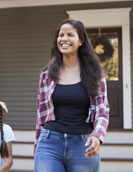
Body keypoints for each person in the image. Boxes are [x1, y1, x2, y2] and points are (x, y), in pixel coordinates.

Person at [34, 19, 110, 172]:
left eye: (70, 35)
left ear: (81, 40)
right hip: (49, 143)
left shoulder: (95, 74)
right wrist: (37, 146)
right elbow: (41, 116)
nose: (64, 39)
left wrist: (97, 136)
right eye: (60, 35)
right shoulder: (46, 75)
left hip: (83, 144)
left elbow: (102, 112)